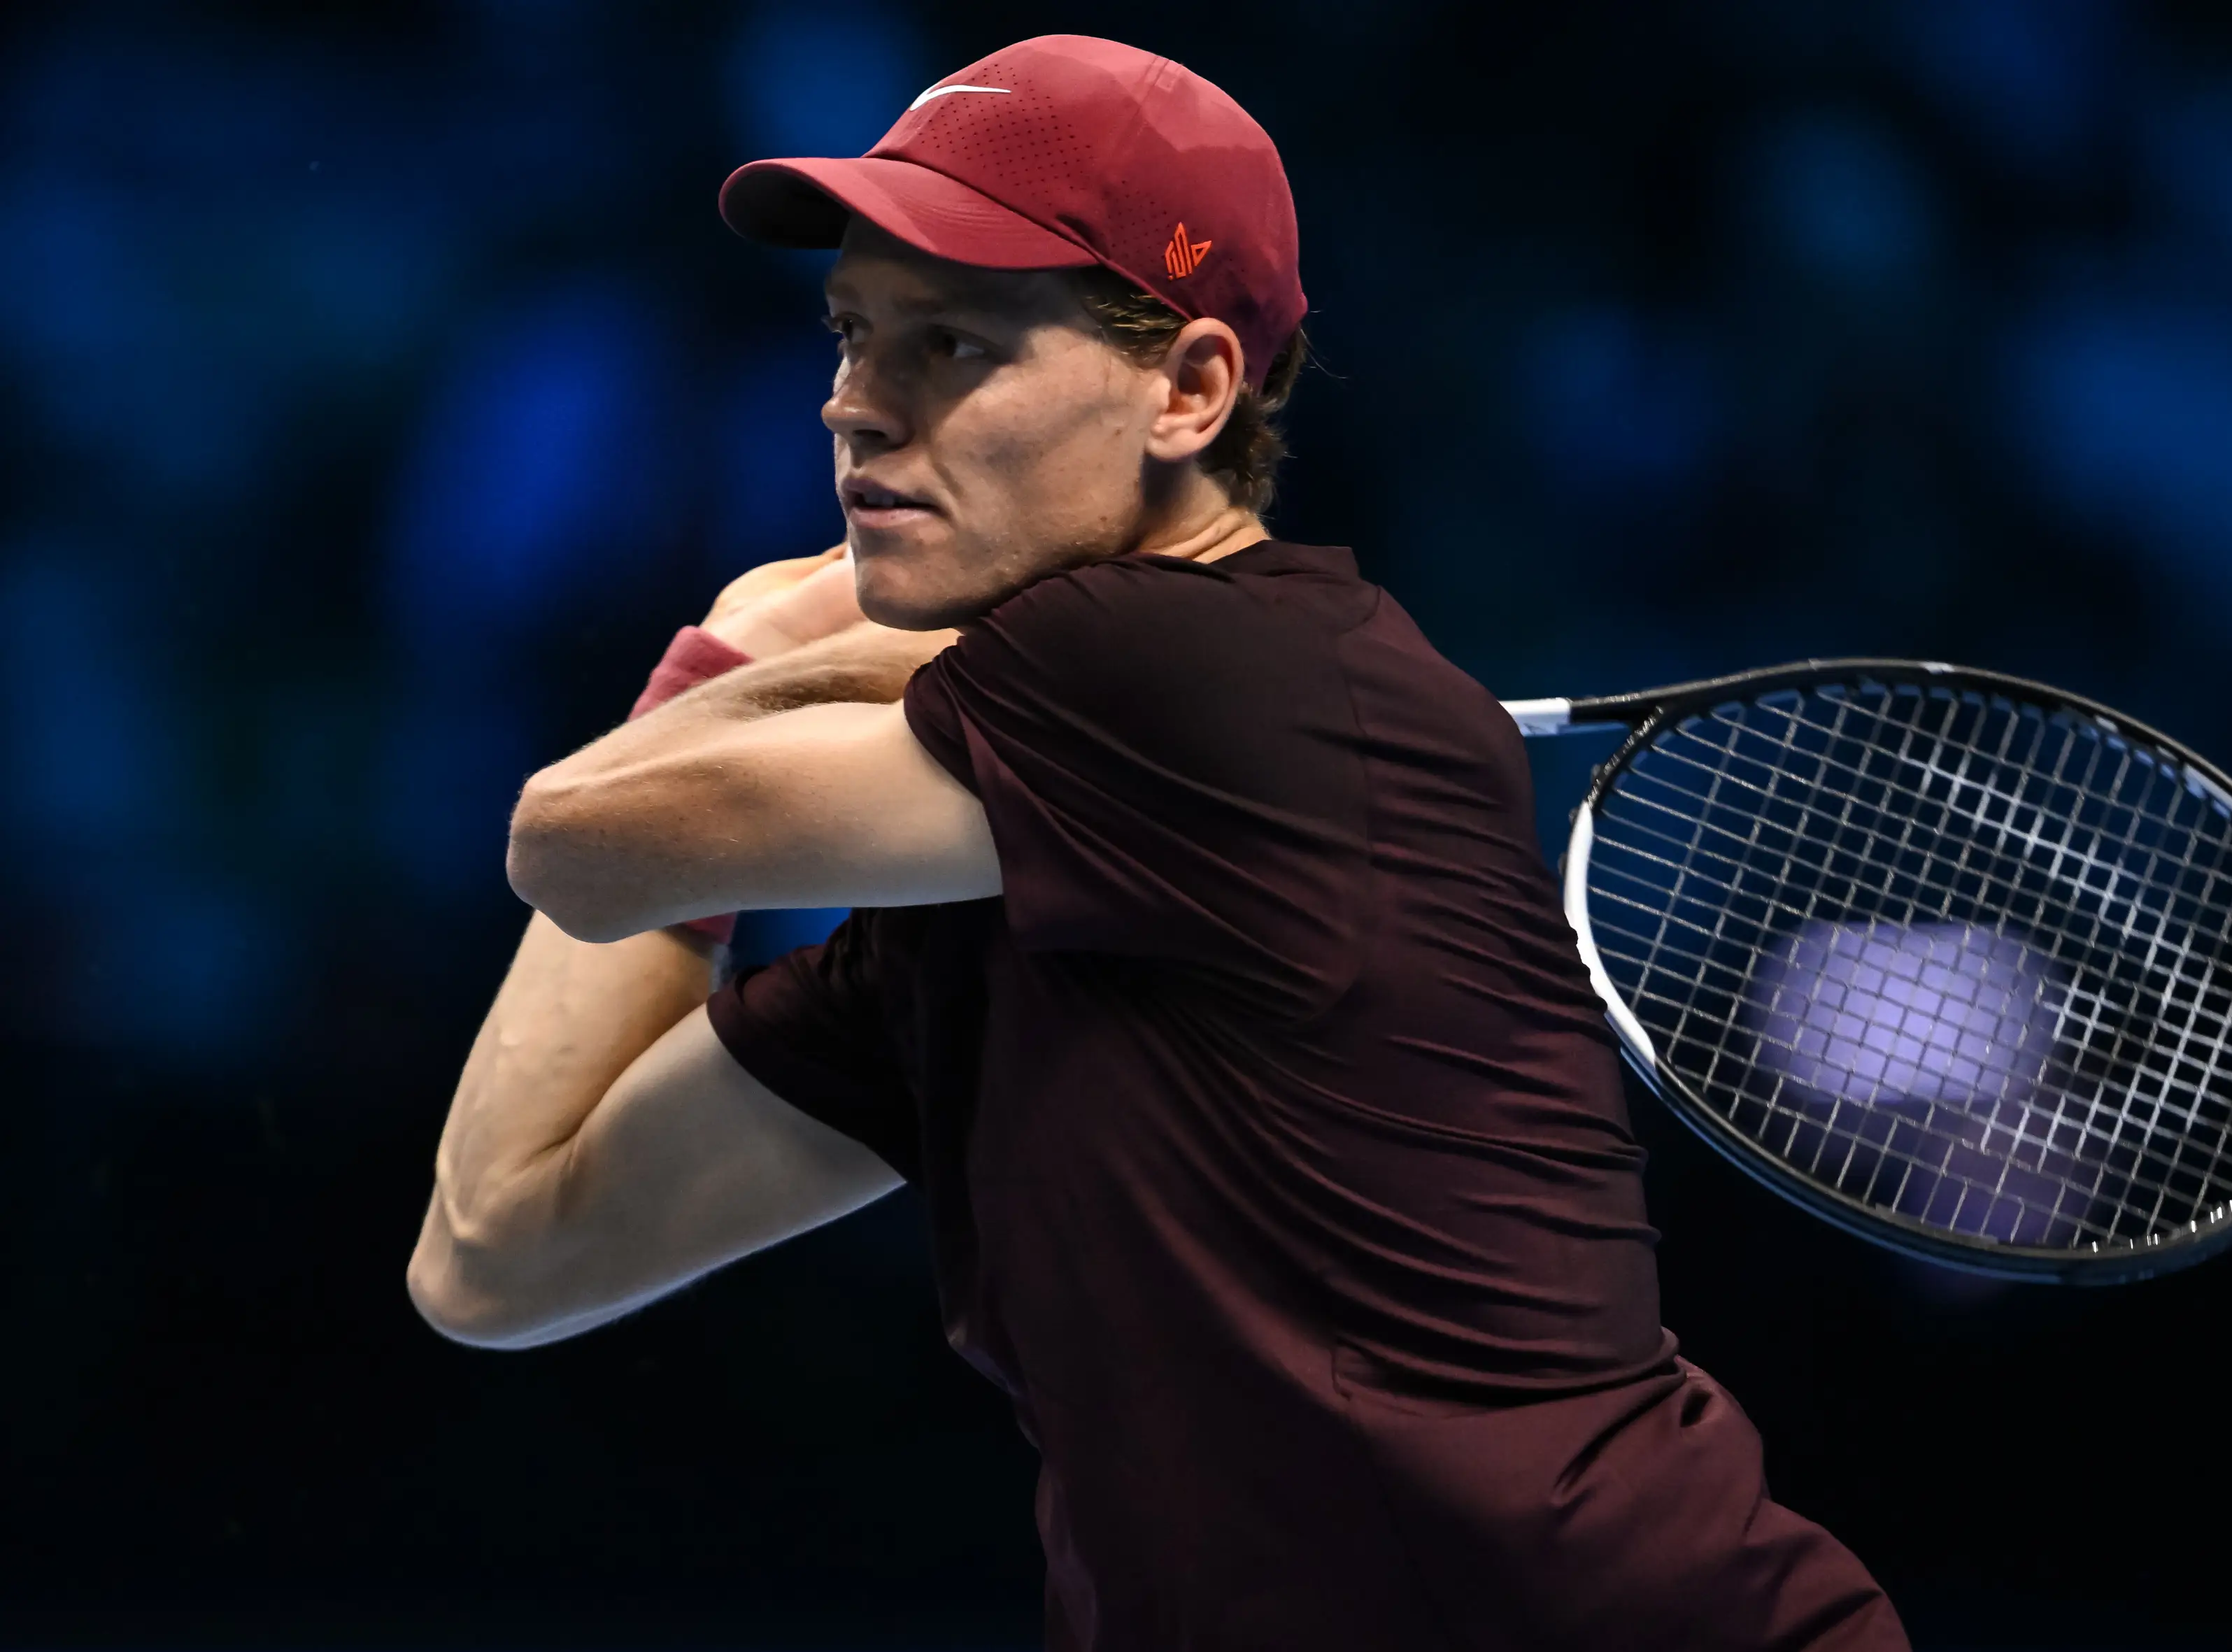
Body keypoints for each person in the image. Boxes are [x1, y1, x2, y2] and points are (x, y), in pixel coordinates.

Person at [406, 34, 1907, 1651]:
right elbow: (502, 1249)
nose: (852, 403)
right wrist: (760, 676)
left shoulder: (1196, 667)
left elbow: (573, 832)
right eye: (851, 331)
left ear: (1189, 390)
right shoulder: (995, 884)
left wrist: (749, 633)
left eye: (953, 342)